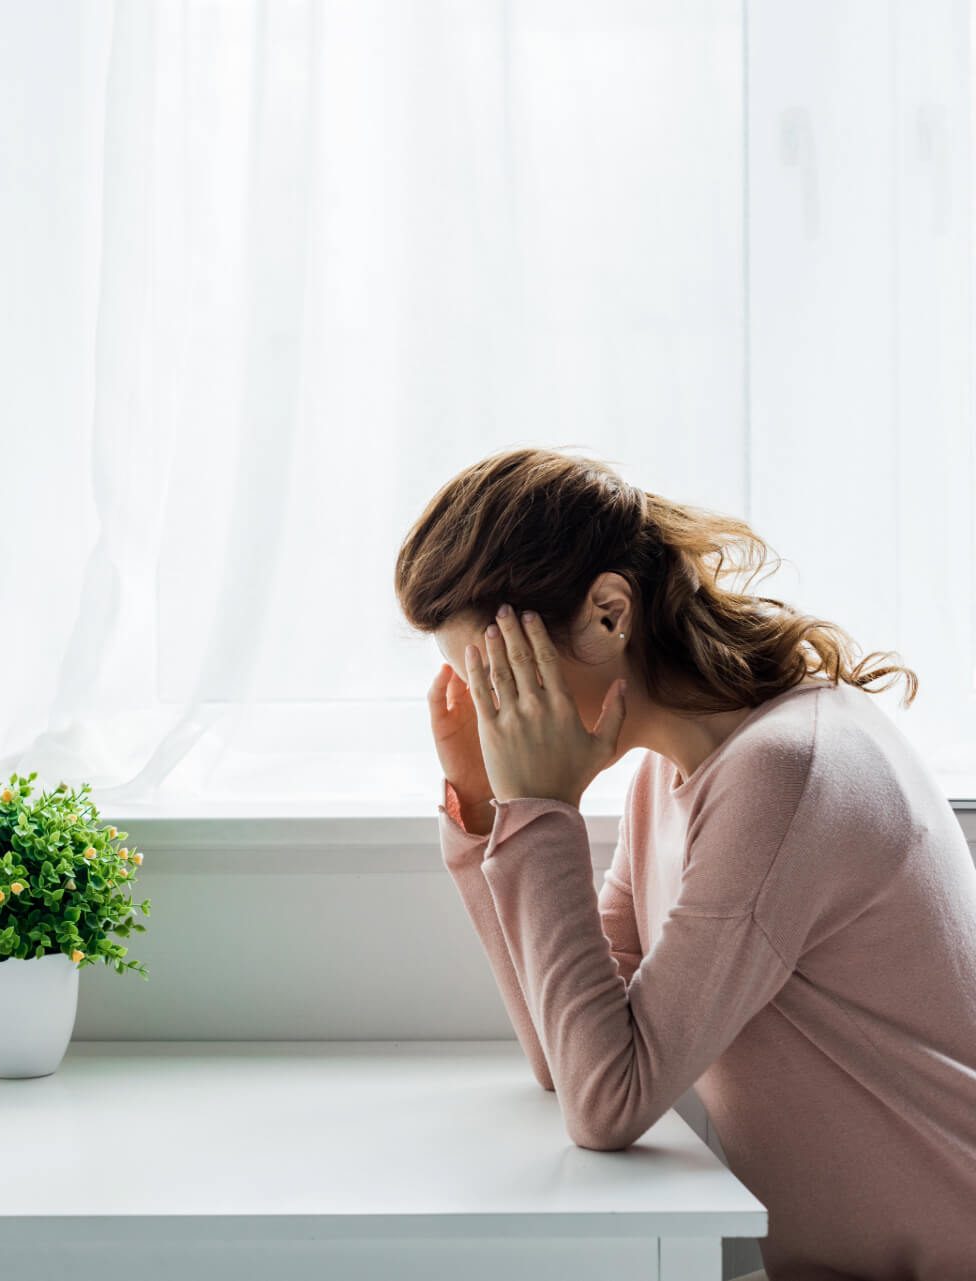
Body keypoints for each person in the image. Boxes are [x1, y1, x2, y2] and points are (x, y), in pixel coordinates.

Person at [394, 448, 976, 1280]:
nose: (494, 713)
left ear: (608, 613)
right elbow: (569, 1056)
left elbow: (608, 1101)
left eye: (501, 675)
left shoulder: (783, 775)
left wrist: (541, 812)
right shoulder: (667, 780)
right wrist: (483, 808)